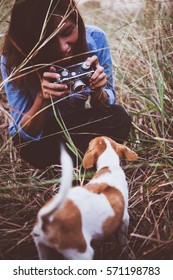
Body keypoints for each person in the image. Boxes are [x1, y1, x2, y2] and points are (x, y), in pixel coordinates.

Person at [1, 0, 131, 169]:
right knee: (28, 147)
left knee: (118, 117)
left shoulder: (96, 39)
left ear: (76, 19)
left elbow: (106, 107)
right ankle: (88, 163)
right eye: (49, 42)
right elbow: (24, 136)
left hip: (81, 125)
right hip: (47, 136)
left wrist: (99, 90)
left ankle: (73, 167)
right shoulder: (13, 59)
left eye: (68, 32)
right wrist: (43, 99)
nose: (63, 47)